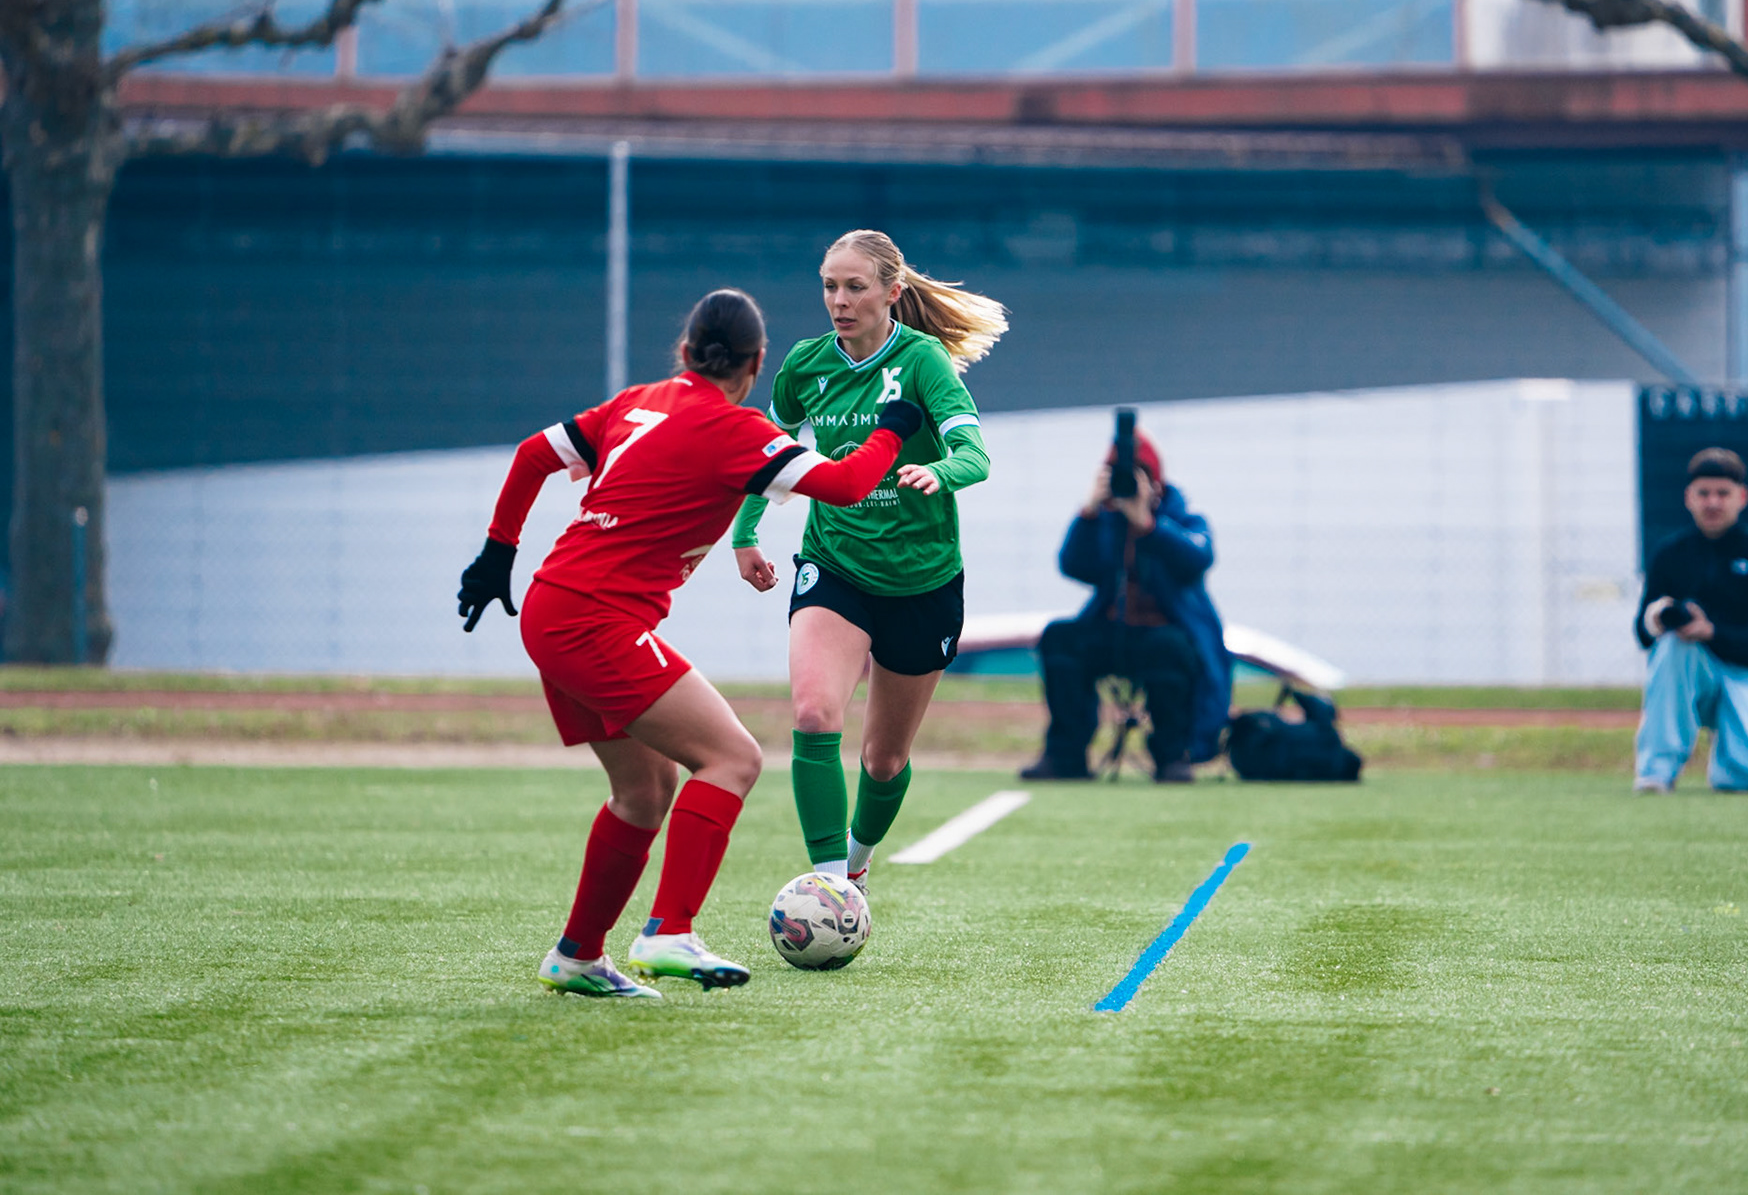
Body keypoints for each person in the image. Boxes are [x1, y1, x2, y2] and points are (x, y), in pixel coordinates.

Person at [457, 288, 924, 997]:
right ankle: (670, 931)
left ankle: (578, 955)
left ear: (684, 351)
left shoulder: (634, 402)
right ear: (758, 362)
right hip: (594, 618)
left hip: (554, 606)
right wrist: (895, 424)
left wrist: (498, 553)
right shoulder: (738, 432)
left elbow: (532, 455)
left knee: (644, 793)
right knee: (732, 758)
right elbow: (849, 484)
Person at [731, 230, 1003, 893]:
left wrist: (941, 471)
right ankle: (830, 885)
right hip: (835, 561)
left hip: (923, 577)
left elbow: (977, 455)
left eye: (855, 286)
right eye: (830, 285)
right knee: (815, 714)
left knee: (883, 761)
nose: (839, 300)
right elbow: (770, 450)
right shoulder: (806, 364)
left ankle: (857, 853)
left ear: (892, 292)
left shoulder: (923, 361)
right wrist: (744, 534)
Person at [1020, 428, 1232, 784]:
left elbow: (1198, 557)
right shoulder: (1104, 522)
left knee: (1172, 649)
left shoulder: (1184, 519)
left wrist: (1148, 525)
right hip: (1111, 630)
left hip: (1162, 636)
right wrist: (1089, 511)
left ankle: (1172, 756)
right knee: (1060, 638)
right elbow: (1073, 565)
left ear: (1156, 482)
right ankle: (1065, 754)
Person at [1632, 447, 1748, 794]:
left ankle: (1730, 762)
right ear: (1688, 498)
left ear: (1742, 497)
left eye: (1722, 493)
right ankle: (1656, 772)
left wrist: (1711, 631)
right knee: (1674, 646)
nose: (1713, 503)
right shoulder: (1669, 553)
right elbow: (1643, 634)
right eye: (1703, 493)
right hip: (1691, 673)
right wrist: (1660, 617)